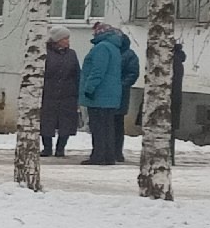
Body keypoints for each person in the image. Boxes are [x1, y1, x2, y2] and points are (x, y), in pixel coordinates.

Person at [80, 20, 140, 164]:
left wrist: (89, 88)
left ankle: (98, 156)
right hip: (111, 95)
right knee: (108, 126)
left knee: (98, 126)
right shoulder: (114, 48)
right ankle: (108, 155)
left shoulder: (102, 48)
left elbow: (97, 71)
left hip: (99, 95)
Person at [40, 27, 82, 158]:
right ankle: (47, 148)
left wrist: (77, 90)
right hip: (49, 93)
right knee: (47, 121)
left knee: (66, 122)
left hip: (67, 93)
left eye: (68, 38)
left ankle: (60, 148)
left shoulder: (71, 54)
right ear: (57, 40)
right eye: (64, 38)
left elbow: (77, 73)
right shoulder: (45, 54)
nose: (67, 41)